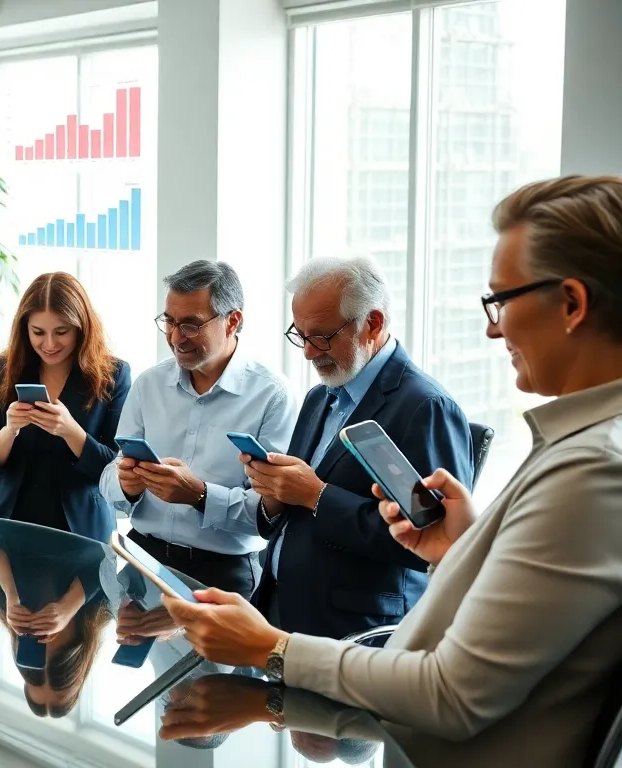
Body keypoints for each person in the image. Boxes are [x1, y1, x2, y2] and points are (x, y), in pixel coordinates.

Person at [160, 176, 622, 768]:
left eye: (501, 299)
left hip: (367, 662)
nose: (492, 327)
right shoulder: (576, 450)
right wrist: (458, 549)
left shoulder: (588, 469)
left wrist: (271, 648)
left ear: (572, 304)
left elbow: (453, 694)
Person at [248, 256, 473, 639]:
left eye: (320, 336)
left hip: (357, 631)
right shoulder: (321, 397)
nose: (307, 352)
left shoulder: (425, 407)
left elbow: (429, 538)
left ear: (373, 323)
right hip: (280, 610)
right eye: (300, 335)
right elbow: (292, 511)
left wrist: (316, 496)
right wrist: (273, 495)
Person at [99, 261, 296, 597]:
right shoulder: (149, 384)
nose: (176, 338)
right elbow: (108, 477)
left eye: (190, 325)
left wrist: (200, 495)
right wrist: (125, 484)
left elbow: (269, 513)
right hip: (141, 560)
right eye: (169, 322)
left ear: (233, 321)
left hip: (223, 575)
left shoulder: (273, 396)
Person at [0, 272, 131, 541]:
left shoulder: (113, 374)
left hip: (81, 532)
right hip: (5, 526)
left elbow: (117, 474)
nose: (49, 344)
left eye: (61, 332)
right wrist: (9, 431)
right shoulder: (7, 367)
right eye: (38, 332)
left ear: (81, 328)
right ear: (25, 329)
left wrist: (71, 432)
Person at [0, 517, 119, 718]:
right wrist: (72, 601)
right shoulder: (103, 608)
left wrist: (10, 591)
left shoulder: (4, 606)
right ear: (79, 652)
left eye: (33, 672)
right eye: (59, 663)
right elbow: (112, 553)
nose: (42, 634)